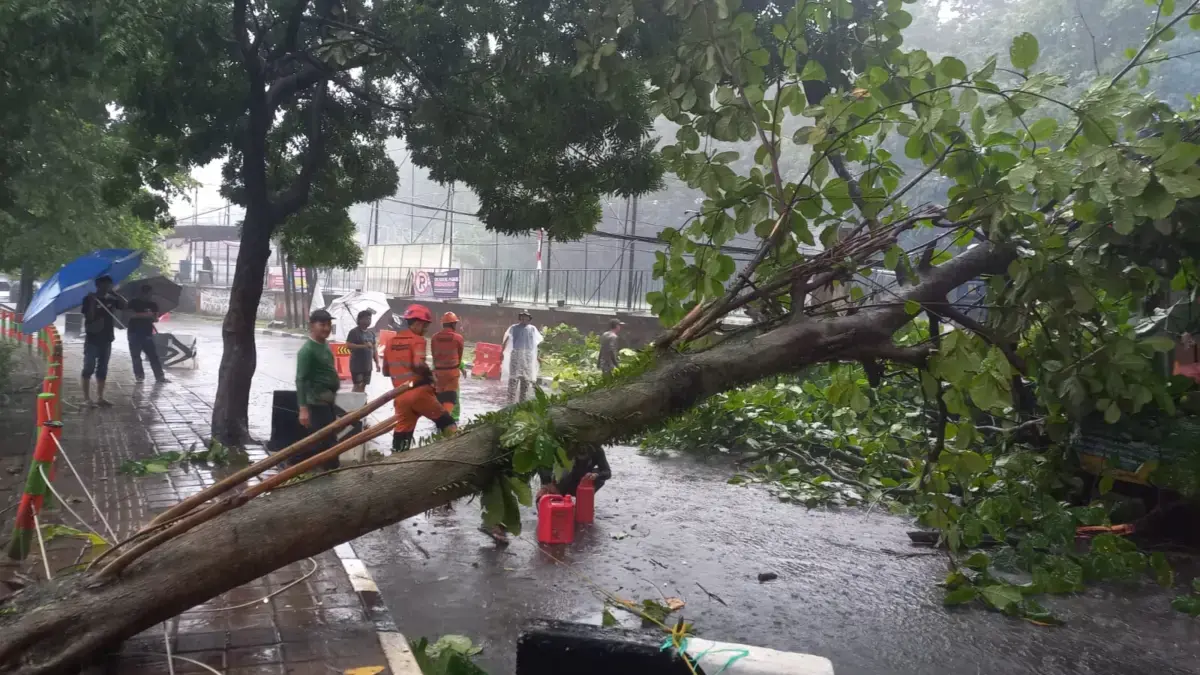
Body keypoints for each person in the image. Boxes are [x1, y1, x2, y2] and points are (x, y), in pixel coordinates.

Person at [295, 309, 341, 472]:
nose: (327, 328)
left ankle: (328, 471)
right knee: (325, 442)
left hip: (328, 402)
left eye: (329, 324)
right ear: (311, 326)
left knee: (326, 440)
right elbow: (300, 380)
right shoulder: (307, 351)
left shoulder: (325, 345)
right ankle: (295, 465)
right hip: (316, 403)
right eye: (322, 325)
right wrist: (303, 409)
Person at [391, 363, 458, 452]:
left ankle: (397, 452)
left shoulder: (407, 380)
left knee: (403, 428)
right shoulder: (424, 388)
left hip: (402, 398)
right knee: (447, 422)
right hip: (419, 396)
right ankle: (455, 447)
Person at [81, 275, 125, 407]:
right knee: (89, 367)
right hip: (93, 338)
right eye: (105, 285)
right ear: (98, 285)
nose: (107, 287)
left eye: (109, 285)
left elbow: (124, 305)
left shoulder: (111, 299)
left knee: (103, 368)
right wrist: (94, 302)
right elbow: (89, 316)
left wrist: (115, 294)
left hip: (107, 338)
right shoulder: (88, 299)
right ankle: (87, 399)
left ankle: (100, 397)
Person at [127, 284, 168, 384]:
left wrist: (150, 316)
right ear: (143, 293)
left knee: (153, 355)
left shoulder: (153, 305)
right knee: (136, 356)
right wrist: (145, 315)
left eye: (151, 294)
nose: (150, 296)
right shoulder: (133, 302)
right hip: (134, 332)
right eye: (148, 294)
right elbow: (130, 315)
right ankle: (139, 375)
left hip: (147, 333)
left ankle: (160, 376)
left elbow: (156, 318)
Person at [384, 304, 432, 389]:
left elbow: (386, 372)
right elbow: (419, 365)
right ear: (417, 324)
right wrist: (430, 375)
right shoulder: (418, 340)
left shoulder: (390, 342)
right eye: (425, 326)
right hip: (418, 393)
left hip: (398, 396)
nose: (426, 330)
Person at [502, 309, 542, 404]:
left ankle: (522, 401)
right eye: (522, 317)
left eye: (526, 317)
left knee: (525, 378)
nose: (524, 319)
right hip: (516, 354)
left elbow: (537, 344)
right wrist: (502, 350)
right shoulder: (514, 327)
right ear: (520, 318)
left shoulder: (532, 329)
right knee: (513, 378)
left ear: (529, 319)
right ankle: (510, 401)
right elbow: (506, 339)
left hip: (527, 355)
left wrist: (538, 356)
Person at [431, 312, 466, 421]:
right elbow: (459, 357)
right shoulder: (458, 338)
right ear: (453, 324)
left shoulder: (434, 338)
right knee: (452, 398)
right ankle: (450, 420)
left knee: (440, 399)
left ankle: (440, 420)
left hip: (438, 373)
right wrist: (460, 367)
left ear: (443, 324)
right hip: (452, 373)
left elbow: (434, 356)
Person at [345, 310, 379, 393]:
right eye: (366, 318)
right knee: (357, 386)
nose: (369, 321)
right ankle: (354, 403)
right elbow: (348, 345)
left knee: (363, 385)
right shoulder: (354, 332)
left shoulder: (371, 333)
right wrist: (363, 346)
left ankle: (362, 403)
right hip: (357, 366)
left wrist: (377, 363)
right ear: (360, 320)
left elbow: (374, 349)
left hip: (367, 366)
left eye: (370, 319)